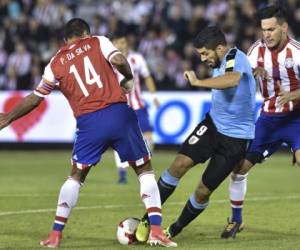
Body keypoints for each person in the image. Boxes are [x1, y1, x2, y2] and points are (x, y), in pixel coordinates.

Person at [0, 18, 177, 248]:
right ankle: (156, 231)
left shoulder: (55, 63)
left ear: (66, 39)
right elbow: (120, 60)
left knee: (75, 177)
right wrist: (129, 78)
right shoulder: (98, 42)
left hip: (88, 123)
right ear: (86, 33)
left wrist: (8, 117)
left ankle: (55, 235)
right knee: (144, 170)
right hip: (118, 112)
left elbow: (36, 97)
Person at [135, 25, 256, 242]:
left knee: (202, 191)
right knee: (178, 164)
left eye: (205, 53)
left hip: (236, 139)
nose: (202, 59)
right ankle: (149, 220)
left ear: (220, 48)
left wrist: (199, 82)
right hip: (212, 126)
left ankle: (174, 229)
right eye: (200, 54)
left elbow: (232, 79)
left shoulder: (235, 57)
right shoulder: (220, 60)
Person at [222, 5, 300, 239]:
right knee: (238, 170)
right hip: (267, 121)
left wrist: (294, 96)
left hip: (297, 119)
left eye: (271, 29)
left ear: (284, 28)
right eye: (263, 29)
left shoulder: (297, 52)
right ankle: (236, 220)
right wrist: (250, 71)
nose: (266, 34)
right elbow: (234, 70)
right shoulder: (256, 50)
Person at [111, 33, 160, 184]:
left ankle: (144, 165)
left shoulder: (136, 58)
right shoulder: (108, 61)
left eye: (123, 41)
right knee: (119, 139)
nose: (121, 44)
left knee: (149, 136)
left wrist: (154, 96)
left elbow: (147, 76)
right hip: (119, 106)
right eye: (117, 42)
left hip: (138, 105)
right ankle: (122, 174)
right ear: (113, 44)